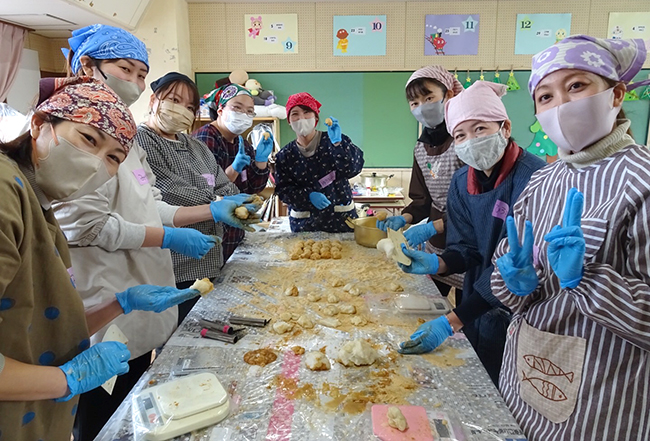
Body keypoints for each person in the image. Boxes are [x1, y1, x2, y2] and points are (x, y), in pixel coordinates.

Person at [54, 28, 256, 439]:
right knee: (99, 409)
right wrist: (168, 235)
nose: (135, 81)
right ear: (87, 67)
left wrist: (195, 214)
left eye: (141, 72)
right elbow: (84, 224)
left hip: (140, 288)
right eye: (125, 69)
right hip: (104, 293)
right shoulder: (76, 136)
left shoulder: (128, 141)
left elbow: (154, 202)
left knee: (135, 398)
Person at [0, 76, 201, 441]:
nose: (95, 164)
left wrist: (119, 305)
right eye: (88, 139)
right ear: (40, 123)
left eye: (113, 158)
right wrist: (66, 378)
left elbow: (34, 323)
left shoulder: (41, 208)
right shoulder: (4, 194)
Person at [491, 35, 650, 440]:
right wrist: (514, 282)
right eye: (545, 97)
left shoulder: (641, 182)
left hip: (598, 405)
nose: (560, 106)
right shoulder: (542, 180)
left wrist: (589, 279)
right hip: (523, 379)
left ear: (615, 95)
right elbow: (509, 280)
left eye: (576, 86)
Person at [397, 81, 546, 385]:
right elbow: (468, 248)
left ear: (505, 127)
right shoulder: (462, 181)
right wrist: (438, 264)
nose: (470, 141)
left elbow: (518, 265)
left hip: (522, 306)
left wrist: (452, 321)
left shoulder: (535, 178)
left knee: (509, 383)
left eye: (480, 129)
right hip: (478, 298)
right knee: (478, 375)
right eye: (461, 135)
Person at [138, 73, 258, 298]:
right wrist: (219, 203)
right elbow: (171, 192)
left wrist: (230, 198)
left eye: (190, 106)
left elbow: (225, 184)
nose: (182, 109)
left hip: (212, 257)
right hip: (174, 263)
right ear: (154, 100)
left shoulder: (196, 146)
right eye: (174, 100)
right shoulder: (142, 141)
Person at [376, 65, 465, 297]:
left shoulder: (466, 140)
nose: (422, 107)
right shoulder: (421, 148)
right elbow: (422, 199)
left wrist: (431, 226)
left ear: (449, 95)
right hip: (436, 243)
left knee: (468, 313)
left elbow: (475, 207)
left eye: (429, 97)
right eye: (415, 103)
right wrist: (404, 218)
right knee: (432, 304)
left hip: (468, 240)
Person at [192, 84, 273, 259]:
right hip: (212, 232)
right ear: (221, 109)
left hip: (235, 231)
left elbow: (253, 189)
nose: (244, 114)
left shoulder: (241, 143)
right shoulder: (204, 139)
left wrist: (260, 162)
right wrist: (233, 169)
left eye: (250, 111)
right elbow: (206, 192)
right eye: (237, 107)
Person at [274, 92, 364, 232]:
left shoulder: (334, 140)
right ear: (289, 121)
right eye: (295, 114)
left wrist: (338, 146)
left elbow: (353, 168)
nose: (301, 118)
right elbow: (283, 190)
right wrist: (307, 196)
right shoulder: (285, 155)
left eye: (306, 112)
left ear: (316, 117)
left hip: (340, 220)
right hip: (304, 224)